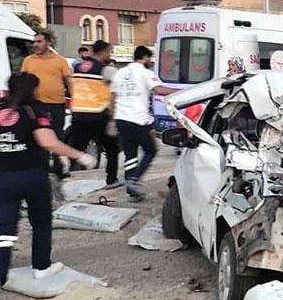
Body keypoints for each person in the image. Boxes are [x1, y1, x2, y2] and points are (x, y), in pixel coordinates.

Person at [0, 73, 96, 300]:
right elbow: (47, 141)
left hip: (2, 179)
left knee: (4, 231)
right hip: (33, 177)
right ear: (34, 90)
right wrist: (79, 155)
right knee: (41, 222)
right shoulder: (34, 110)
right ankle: (41, 267)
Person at [111, 46, 176, 201]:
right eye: (149, 59)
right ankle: (134, 181)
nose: (150, 62)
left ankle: (132, 190)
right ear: (145, 57)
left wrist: (114, 117)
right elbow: (159, 89)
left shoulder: (119, 73)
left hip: (121, 119)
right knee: (151, 150)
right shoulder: (146, 73)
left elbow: (112, 97)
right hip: (139, 119)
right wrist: (178, 91)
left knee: (130, 155)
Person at [65, 40, 121, 189]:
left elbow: (71, 87)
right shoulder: (106, 70)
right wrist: (112, 117)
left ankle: (63, 177)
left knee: (75, 149)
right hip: (98, 115)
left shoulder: (77, 67)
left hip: (78, 114)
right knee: (112, 149)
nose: (110, 55)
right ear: (102, 52)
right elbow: (115, 94)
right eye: (109, 52)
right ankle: (111, 180)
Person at [21, 31, 72, 180]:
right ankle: (40, 167)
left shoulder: (59, 60)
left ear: (48, 43)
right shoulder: (28, 60)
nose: (35, 44)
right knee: (37, 136)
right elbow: (23, 81)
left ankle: (59, 169)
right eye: (34, 42)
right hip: (35, 105)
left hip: (56, 104)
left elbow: (69, 81)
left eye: (39, 41)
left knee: (56, 135)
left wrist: (74, 98)